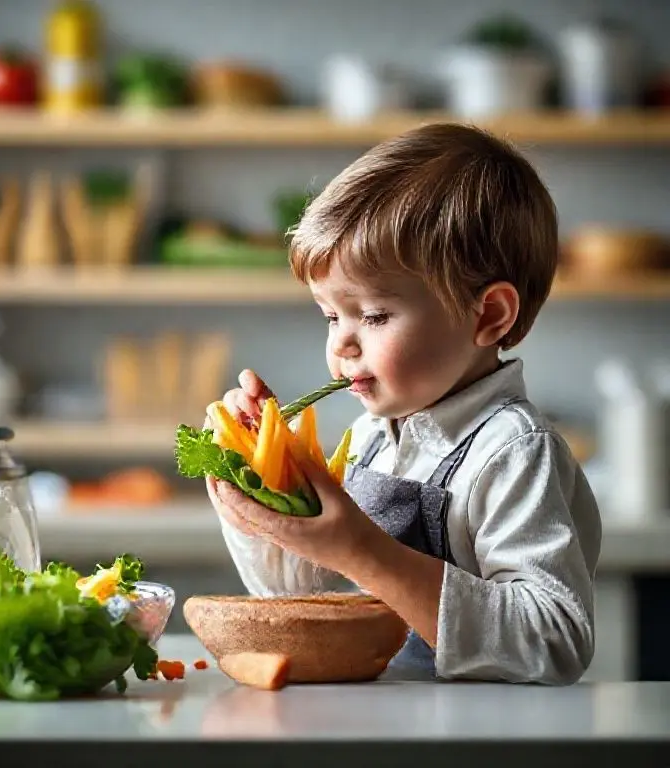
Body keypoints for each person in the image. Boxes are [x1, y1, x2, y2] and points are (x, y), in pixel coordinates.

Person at [205, 123, 602, 685]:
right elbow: (303, 598)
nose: (342, 344)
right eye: (330, 316)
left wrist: (364, 550)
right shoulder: (373, 437)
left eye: (373, 316)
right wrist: (266, 488)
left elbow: (554, 639)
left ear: (489, 316)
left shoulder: (514, 452)